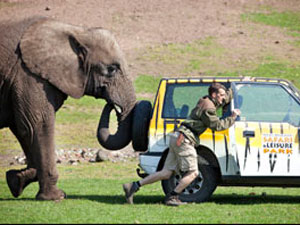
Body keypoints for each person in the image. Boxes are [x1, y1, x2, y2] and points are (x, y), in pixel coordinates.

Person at [122, 82, 241, 206]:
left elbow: (224, 99)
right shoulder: (209, 108)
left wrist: (234, 88)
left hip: (178, 137)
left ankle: (133, 186)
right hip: (185, 140)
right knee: (193, 173)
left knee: (166, 172)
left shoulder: (206, 100)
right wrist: (233, 117)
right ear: (214, 94)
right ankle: (172, 197)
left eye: (223, 95)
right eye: (221, 95)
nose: (223, 98)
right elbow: (217, 126)